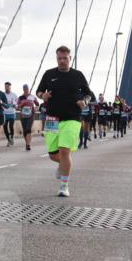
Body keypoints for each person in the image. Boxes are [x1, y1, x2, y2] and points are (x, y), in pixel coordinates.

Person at [36, 46, 94, 197]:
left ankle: (64, 186)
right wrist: (43, 96)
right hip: (52, 118)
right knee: (53, 154)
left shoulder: (77, 75)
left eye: (65, 58)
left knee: (64, 150)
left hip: (72, 118)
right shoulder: (49, 74)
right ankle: (62, 166)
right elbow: (38, 91)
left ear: (70, 58)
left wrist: (85, 102)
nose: (62, 61)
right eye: (59, 58)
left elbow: (88, 94)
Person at [18, 84, 39, 151]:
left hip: (31, 115)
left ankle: (28, 144)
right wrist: (22, 104)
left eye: (27, 89)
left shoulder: (32, 97)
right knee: (24, 130)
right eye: (24, 89)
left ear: (29, 89)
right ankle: (27, 143)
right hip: (23, 115)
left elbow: (37, 104)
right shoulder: (21, 97)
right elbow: (17, 106)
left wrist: (36, 108)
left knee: (28, 129)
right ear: (23, 89)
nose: (26, 90)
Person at [2, 82, 17, 147]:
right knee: (5, 126)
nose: (6, 88)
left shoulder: (14, 95)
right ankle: (8, 140)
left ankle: (12, 137)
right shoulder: (2, 94)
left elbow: (17, 103)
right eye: (5, 87)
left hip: (12, 113)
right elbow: (1, 102)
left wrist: (15, 105)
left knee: (11, 126)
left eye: (8, 87)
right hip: (5, 113)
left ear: (10, 87)